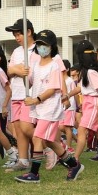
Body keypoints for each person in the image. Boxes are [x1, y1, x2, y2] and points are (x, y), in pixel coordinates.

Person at [15, 29, 84, 183]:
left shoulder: (54, 66)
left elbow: (52, 89)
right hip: (39, 108)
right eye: (39, 44)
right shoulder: (35, 64)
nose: (41, 47)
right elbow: (30, 83)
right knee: (49, 141)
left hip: (50, 107)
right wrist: (24, 75)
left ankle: (34, 173)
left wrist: (36, 100)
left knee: (37, 137)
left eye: (44, 44)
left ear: (52, 46)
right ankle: (74, 165)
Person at [3, 20, 36, 172]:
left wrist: (16, 69)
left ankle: (50, 146)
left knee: (27, 127)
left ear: (28, 32)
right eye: (15, 35)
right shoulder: (16, 51)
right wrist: (17, 69)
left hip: (30, 94)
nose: (17, 38)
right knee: (18, 128)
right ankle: (23, 160)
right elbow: (9, 71)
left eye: (19, 34)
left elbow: (31, 71)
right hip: (16, 93)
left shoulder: (36, 49)